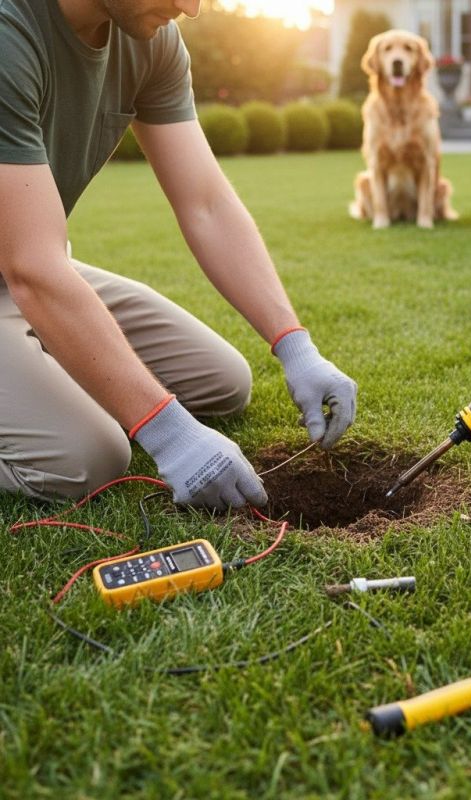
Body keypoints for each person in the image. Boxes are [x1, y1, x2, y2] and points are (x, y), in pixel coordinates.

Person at [0, 0, 357, 508]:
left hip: (37, 269)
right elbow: (31, 269)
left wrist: (296, 347)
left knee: (222, 382)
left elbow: (207, 204)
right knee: (88, 458)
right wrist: (167, 433)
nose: (191, 8)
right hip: (29, 270)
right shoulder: (10, 32)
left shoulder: (150, 37)